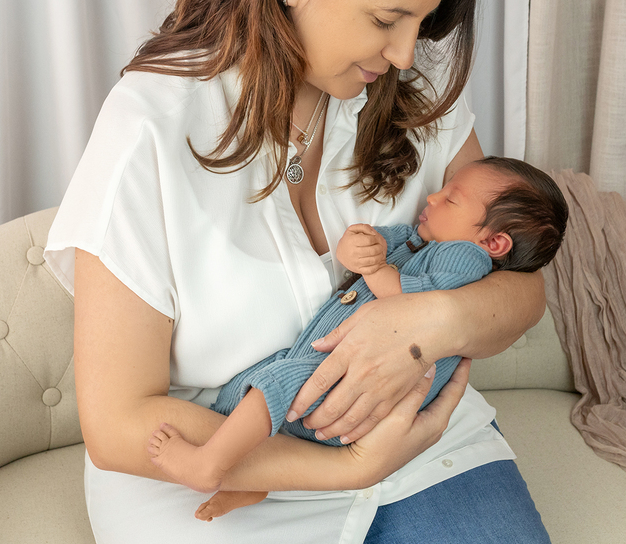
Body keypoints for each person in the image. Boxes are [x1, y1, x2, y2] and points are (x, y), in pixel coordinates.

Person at [43, 0, 581, 544]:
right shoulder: (150, 128)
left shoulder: (411, 104)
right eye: (385, 19)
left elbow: (520, 290)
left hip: (417, 444)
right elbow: (119, 423)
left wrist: (423, 325)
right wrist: (346, 468)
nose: (407, 55)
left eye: (421, 23)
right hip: (218, 467)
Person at [147, 157, 569, 522]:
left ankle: (208, 465)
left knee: (272, 384)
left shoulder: (465, 257)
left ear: (493, 242)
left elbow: (414, 306)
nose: (433, 196)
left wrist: (374, 270)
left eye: (451, 199)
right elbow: (379, 241)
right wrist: (358, 246)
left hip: (351, 390)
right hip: (332, 370)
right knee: (256, 382)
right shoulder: (422, 241)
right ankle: (254, 481)